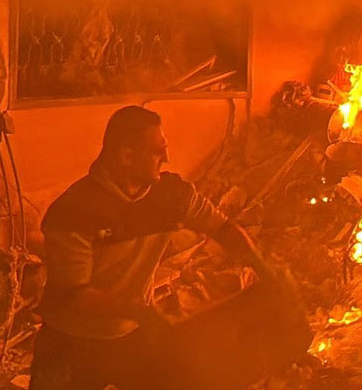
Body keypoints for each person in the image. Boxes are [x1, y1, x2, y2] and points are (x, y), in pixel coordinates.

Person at [28, 105, 270, 390]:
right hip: (70, 341)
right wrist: (142, 312)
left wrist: (263, 267)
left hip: (131, 332)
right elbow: (75, 295)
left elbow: (223, 228)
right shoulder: (75, 211)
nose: (166, 158)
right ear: (127, 156)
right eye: (158, 151)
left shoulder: (173, 196)